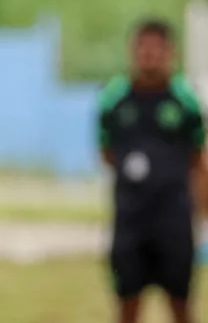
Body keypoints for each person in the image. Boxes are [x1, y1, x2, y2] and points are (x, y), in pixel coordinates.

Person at [98, 19, 206, 323]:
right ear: (133, 51)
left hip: (174, 221)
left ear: (170, 52)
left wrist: (201, 214)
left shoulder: (186, 102)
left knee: (181, 304)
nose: (150, 55)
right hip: (130, 222)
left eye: (157, 49)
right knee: (127, 304)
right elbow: (107, 153)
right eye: (143, 48)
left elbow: (197, 160)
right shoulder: (114, 101)